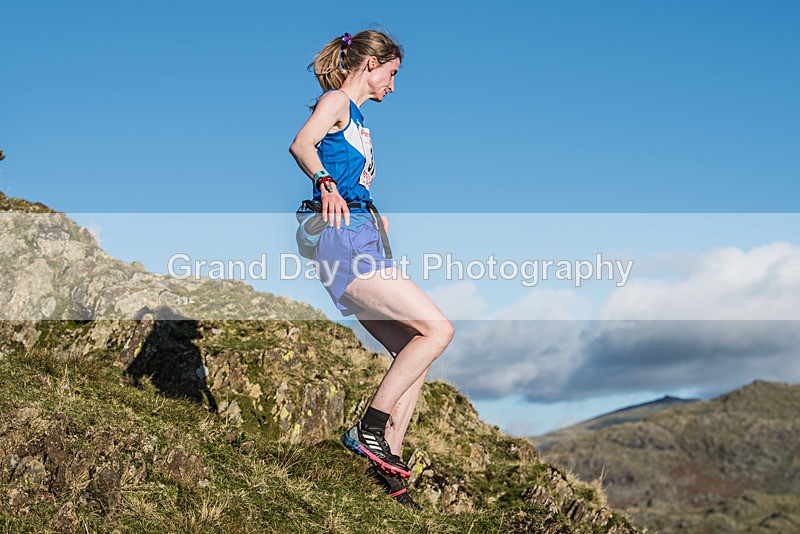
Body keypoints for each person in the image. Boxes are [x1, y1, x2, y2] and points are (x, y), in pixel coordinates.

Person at [289, 29, 454, 510]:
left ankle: (390, 469)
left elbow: (349, 176)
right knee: (438, 330)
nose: (393, 85)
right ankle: (369, 430)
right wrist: (324, 183)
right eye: (392, 73)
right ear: (370, 63)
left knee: (414, 349)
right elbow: (302, 144)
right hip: (344, 242)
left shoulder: (359, 120)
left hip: (362, 240)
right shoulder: (337, 100)